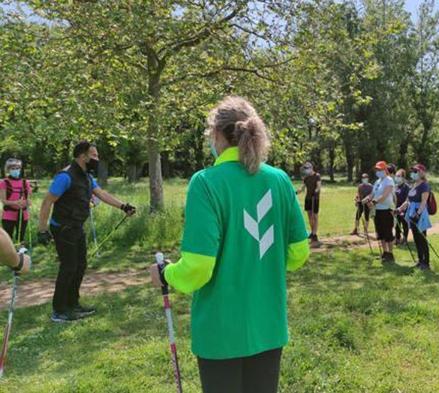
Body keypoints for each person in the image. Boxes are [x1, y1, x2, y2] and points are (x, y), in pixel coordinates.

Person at [149, 96, 310, 393]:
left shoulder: (206, 182)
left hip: (220, 332)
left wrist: (167, 273)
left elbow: (198, 268)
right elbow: (298, 253)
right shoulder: (280, 180)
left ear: (217, 135)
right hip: (269, 326)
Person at [37, 141, 136, 323]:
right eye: (94, 156)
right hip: (63, 228)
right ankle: (59, 311)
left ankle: (73, 305)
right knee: (68, 267)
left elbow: (101, 194)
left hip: (76, 227)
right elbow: (46, 202)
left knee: (80, 265)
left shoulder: (86, 176)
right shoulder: (65, 176)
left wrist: (123, 206)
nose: (97, 159)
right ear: (83, 156)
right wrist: (42, 230)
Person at [397, 163, 432, 270]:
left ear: (422, 173)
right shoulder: (413, 185)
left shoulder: (424, 185)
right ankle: (420, 261)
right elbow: (408, 201)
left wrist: (418, 215)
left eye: (415, 171)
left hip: (419, 214)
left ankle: (426, 263)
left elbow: (423, 202)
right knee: (416, 239)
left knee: (422, 238)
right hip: (411, 213)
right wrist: (399, 209)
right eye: (413, 171)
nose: (413, 173)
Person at [0, 158, 32, 244]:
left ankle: (21, 254)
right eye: (13, 168)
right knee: (8, 237)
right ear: (8, 169)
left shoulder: (25, 182)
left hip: (23, 214)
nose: (15, 170)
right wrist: (15, 202)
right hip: (8, 215)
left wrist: (27, 203)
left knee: (21, 237)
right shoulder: (4, 182)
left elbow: (28, 200)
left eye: (17, 168)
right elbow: (3, 201)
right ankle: (8, 255)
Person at [370, 161, 395, 263]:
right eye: (377, 169)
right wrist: (366, 200)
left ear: (385, 170)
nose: (378, 171)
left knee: (387, 232)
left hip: (386, 210)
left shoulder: (389, 180)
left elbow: (385, 195)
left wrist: (374, 202)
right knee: (380, 233)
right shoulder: (377, 181)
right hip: (378, 211)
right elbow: (372, 194)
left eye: (380, 169)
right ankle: (384, 253)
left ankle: (390, 254)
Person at [298, 162, 321, 243]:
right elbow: (302, 188)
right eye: (305, 169)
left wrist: (316, 191)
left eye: (307, 168)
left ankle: (315, 234)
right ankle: (312, 232)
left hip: (315, 198)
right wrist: (297, 191)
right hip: (308, 198)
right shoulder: (306, 177)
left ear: (311, 168)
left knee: (315, 216)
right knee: (309, 216)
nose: (306, 170)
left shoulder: (317, 176)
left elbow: (318, 186)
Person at [394, 168, 410, 245]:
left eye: (398, 176)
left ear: (403, 177)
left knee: (404, 225)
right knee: (397, 225)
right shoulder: (396, 186)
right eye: (396, 175)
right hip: (396, 209)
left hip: (404, 209)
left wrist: (402, 209)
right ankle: (397, 238)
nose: (396, 177)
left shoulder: (406, 187)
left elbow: (407, 199)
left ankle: (405, 239)